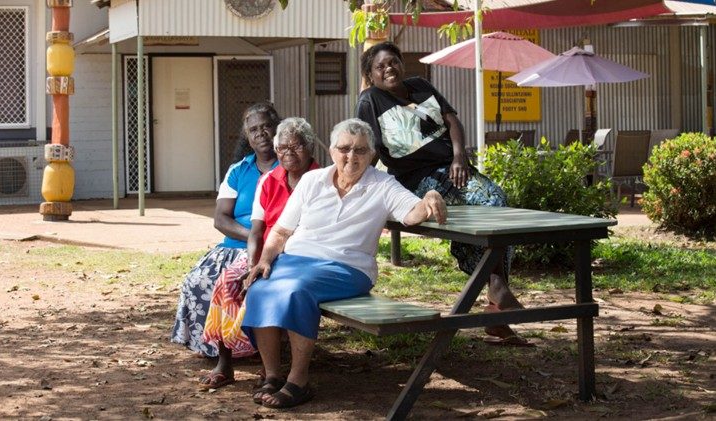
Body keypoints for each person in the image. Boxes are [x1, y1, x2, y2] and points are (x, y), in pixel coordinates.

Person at [240, 118, 447, 409]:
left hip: (347, 268)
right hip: (296, 261)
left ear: (372, 154)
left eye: (361, 150)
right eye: (345, 149)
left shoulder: (383, 184)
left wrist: (430, 196)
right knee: (260, 287)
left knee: (296, 291)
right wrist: (264, 260)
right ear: (332, 151)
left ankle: (298, 381)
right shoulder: (313, 180)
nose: (352, 156)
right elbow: (281, 231)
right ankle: (273, 375)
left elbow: (412, 213)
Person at [355, 41, 528, 345]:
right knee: (467, 220)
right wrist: (358, 185)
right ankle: (496, 287)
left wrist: (460, 156)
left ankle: (495, 299)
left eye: (393, 62)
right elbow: (368, 146)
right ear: (371, 75)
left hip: (453, 167)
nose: (388, 69)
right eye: (380, 66)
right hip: (416, 179)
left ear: (401, 63)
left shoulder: (421, 85)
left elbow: (451, 120)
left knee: (495, 202)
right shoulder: (370, 100)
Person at [198, 117, 321, 389]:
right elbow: (256, 231)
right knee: (229, 282)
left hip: (302, 257)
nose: (289, 153)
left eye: (297, 146)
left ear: (310, 147)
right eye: (283, 148)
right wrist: (253, 266)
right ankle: (225, 362)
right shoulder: (268, 181)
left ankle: (271, 370)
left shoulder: (322, 179)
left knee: (274, 290)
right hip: (267, 253)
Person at [171, 102, 280, 357]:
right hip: (233, 246)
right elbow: (220, 219)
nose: (261, 133)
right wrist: (253, 236)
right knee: (198, 281)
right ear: (248, 138)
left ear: (277, 129)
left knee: (239, 283)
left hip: (272, 249)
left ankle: (252, 350)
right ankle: (214, 349)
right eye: (254, 130)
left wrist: (265, 241)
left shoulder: (290, 167)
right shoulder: (238, 170)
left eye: (266, 126)